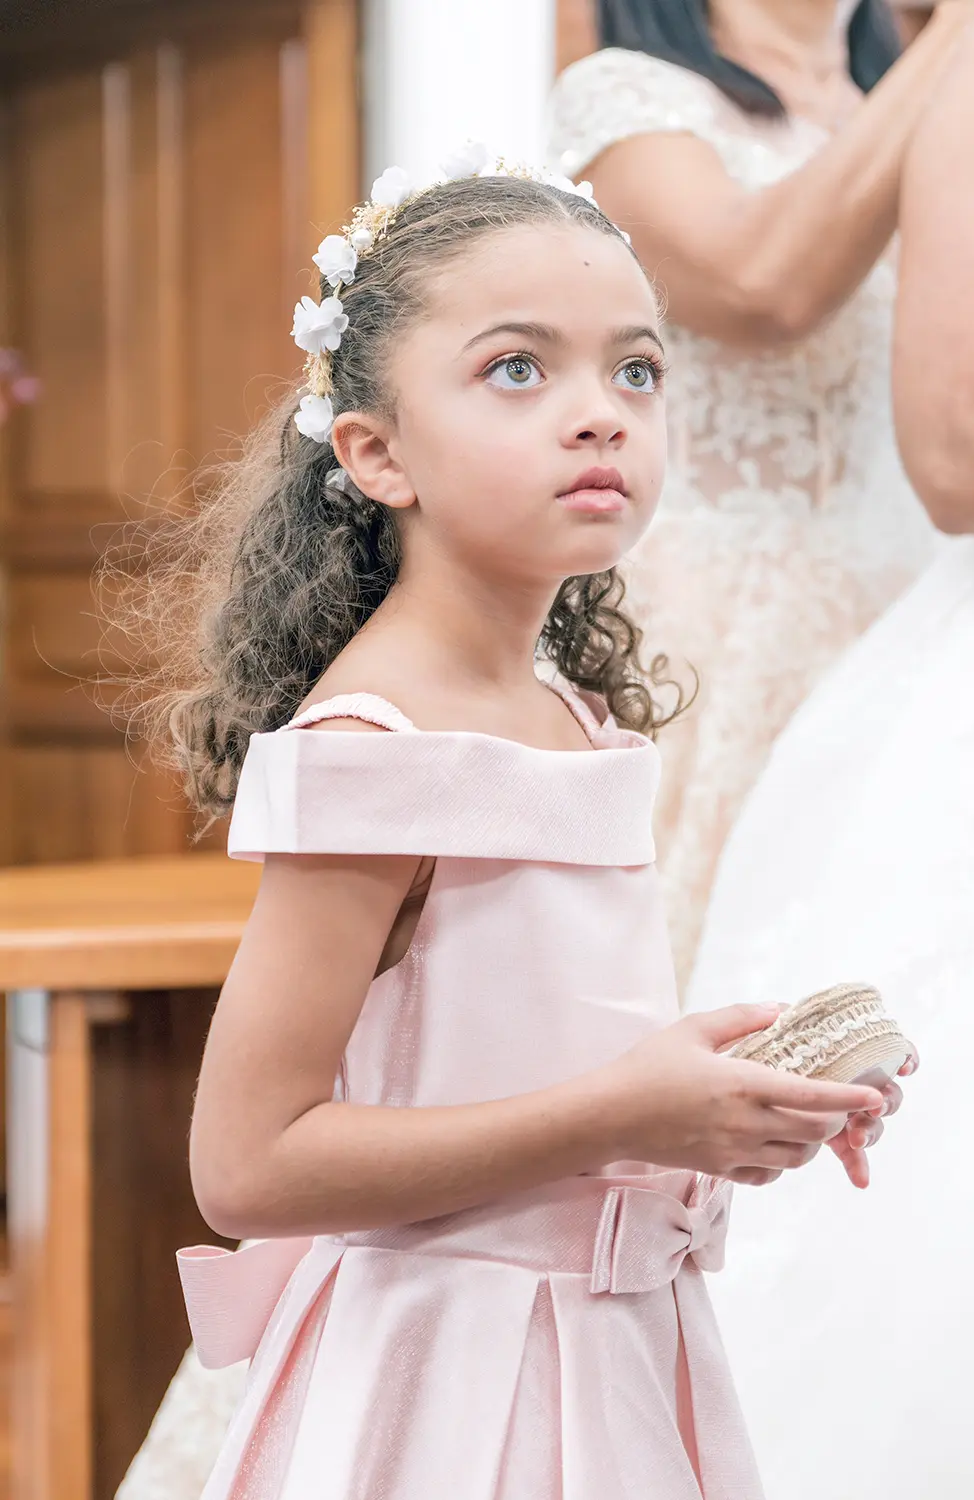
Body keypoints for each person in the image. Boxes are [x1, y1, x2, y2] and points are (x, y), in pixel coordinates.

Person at [113, 161, 892, 1500]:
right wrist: (625, 1108)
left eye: (636, 371)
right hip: (455, 1386)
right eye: (519, 372)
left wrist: (724, 1103)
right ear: (377, 452)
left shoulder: (573, 715)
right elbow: (247, 1164)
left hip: (618, 1358)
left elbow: (530, 1053)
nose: (600, 416)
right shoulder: (374, 749)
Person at [683, 9, 974, 1496]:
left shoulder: (894, 75)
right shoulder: (634, 102)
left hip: (872, 607)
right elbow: (955, 440)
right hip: (758, 638)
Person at [547, 0, 974, 991]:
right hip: (714, 651)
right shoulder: (628, 98)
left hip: (908, 625)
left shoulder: (913, 93)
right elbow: (760, 286)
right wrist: (965, 28)